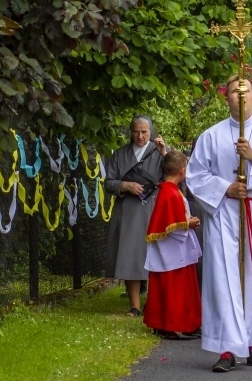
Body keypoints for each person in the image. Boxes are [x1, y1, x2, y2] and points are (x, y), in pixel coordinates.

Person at [186, 75, 252, 372]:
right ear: (226, 97)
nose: (241, 95)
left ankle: (248, 339)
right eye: (235, 91)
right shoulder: (211, 135)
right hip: (223, 214)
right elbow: (195, 176)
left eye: (246, 90)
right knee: (224, 279)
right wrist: (226, 188)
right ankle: (228, 348)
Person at [104, 115, 167, 317]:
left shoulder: (160, 152)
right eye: (136, 132)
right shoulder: (120, 154)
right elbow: (108, 182)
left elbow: (177, 175)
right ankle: (134, 305)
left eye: (144, 132)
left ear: (151, 132)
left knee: (156, 256)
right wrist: (125, 185)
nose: (140, 136)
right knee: (131, 256)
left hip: (153, 209)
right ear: (131, 132)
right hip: (128, 212)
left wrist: (165, 153)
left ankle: (155, 303)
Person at [143, 150, 202, 338]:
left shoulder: (168, 190)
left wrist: (186, 220)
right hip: (173, 252)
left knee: (168, 288)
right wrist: (189, 223)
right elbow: (172, 226)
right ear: (183, 172)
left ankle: (167, 324)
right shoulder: (170, 193)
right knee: (174, 289)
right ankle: (171, 324)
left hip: (172, 250)